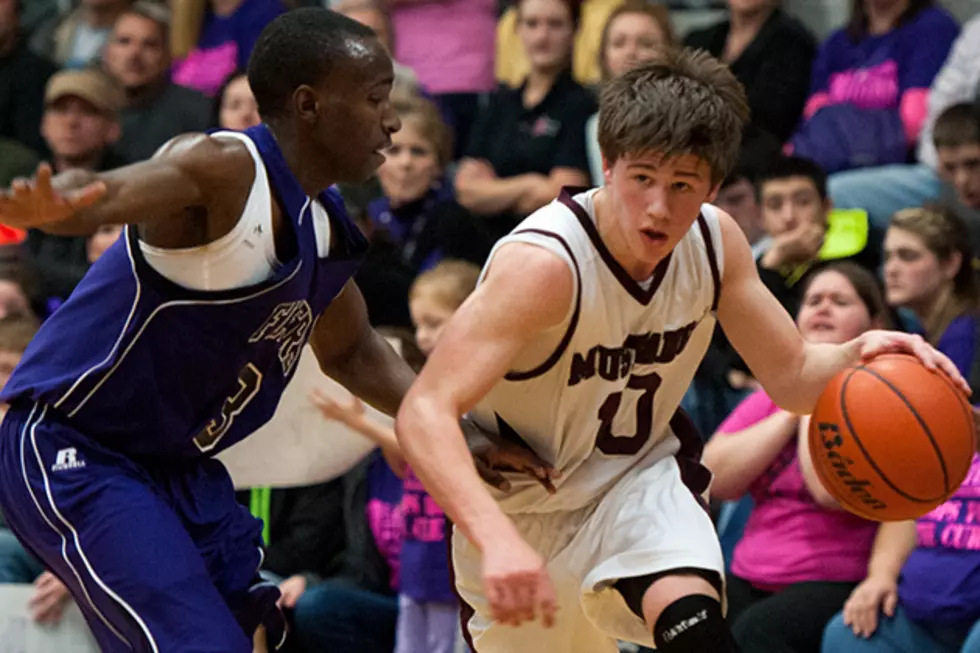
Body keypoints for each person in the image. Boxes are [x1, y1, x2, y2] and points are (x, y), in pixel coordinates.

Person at [0, 9, 547, 653]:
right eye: (375, 99)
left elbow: (352, 350)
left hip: (176, 465)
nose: (392, 121)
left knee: (257, 633)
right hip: (77, 446)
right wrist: (67, 200)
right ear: (310, 105)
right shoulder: (222, 169)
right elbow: (120, 190)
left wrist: (465, 434)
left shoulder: (325, 226)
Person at [394, 48, 968, 653]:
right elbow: (424, 409)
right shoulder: (544, 267)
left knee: (695, 624)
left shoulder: (716, 242)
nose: (660, 208)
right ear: (608, 166)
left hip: (636, 484)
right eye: (642, 178)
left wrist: (862, 354)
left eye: (683, 185)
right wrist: (494, 535)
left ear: (714, 186)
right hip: (521, 515)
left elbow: (794, 378)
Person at [703, 263, 889, 653]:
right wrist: (793, 406)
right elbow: (713, 478)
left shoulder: (883, 398)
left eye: (840, 301)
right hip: (749, 571)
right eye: (813, 301)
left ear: (874, 322)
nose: (823, 308)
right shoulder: (773, 396)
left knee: (756, 633)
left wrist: (810, 400)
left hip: (834, 580)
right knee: (686, 618)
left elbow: (830, 491)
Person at [315, 260, 482, 653]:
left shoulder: (473, 383)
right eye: (418, 324)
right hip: (416, 552)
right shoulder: (421, 382)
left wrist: (359, 424)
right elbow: (407, 460)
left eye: (435, 323)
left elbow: (434, 444)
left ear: (472, 312)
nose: (422, 337)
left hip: (450, 557)